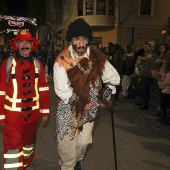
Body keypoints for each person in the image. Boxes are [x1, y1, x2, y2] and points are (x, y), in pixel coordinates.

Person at [53, 18, 120, 170]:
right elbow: (62, 90)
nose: (81, 44)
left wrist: (107, 93)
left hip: (89, 113)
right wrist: (83, 102)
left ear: (88, 40)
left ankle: (77, 161)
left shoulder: (97, 57)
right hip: (68, 112)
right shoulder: (62, 60)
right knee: (67, 156)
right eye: (77, 39)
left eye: (84, 39)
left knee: (82, 145)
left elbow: (113, 78)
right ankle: (68, 165)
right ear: (71, 41)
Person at [0, 29, 50, 170]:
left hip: (32, 116)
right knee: (13, 150)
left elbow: (43, 88)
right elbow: (1, 91)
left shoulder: (38, 64)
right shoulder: (7, 63)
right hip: (12, 117)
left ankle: (26, 164)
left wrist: (45, 111)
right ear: (16, 44)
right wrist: (1, 115)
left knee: (28, 147)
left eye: (27, 42)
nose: (24, 46)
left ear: (32, 44)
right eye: (21, 42)